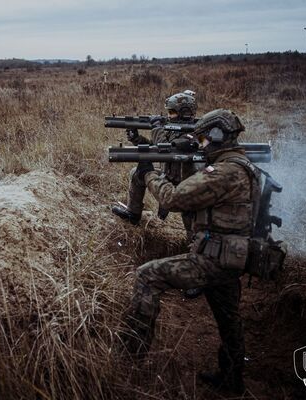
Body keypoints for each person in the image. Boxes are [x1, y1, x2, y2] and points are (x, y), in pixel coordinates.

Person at [119, 109, 259, 395]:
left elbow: (174, 198)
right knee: (229, 321)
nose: (202, 144)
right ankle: (232, 380)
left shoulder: (223, 173)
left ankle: (128, 361)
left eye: (205, 139)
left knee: (147, 276)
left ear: (219, 137)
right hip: (232, 257)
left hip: (212, 260)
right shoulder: (241, 164)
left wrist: (148, 174)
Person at [111, 90, 198, 235]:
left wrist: (157, 128)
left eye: (172, 112)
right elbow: (156, 147)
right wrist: (137, 139)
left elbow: (166, 149)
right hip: (169, 177)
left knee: (193, 232)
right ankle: (133, 213)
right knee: (136, 173)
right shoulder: (174, 130)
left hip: (185, 187)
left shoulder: (193, 134)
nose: (168, 116)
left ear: (185, 113)